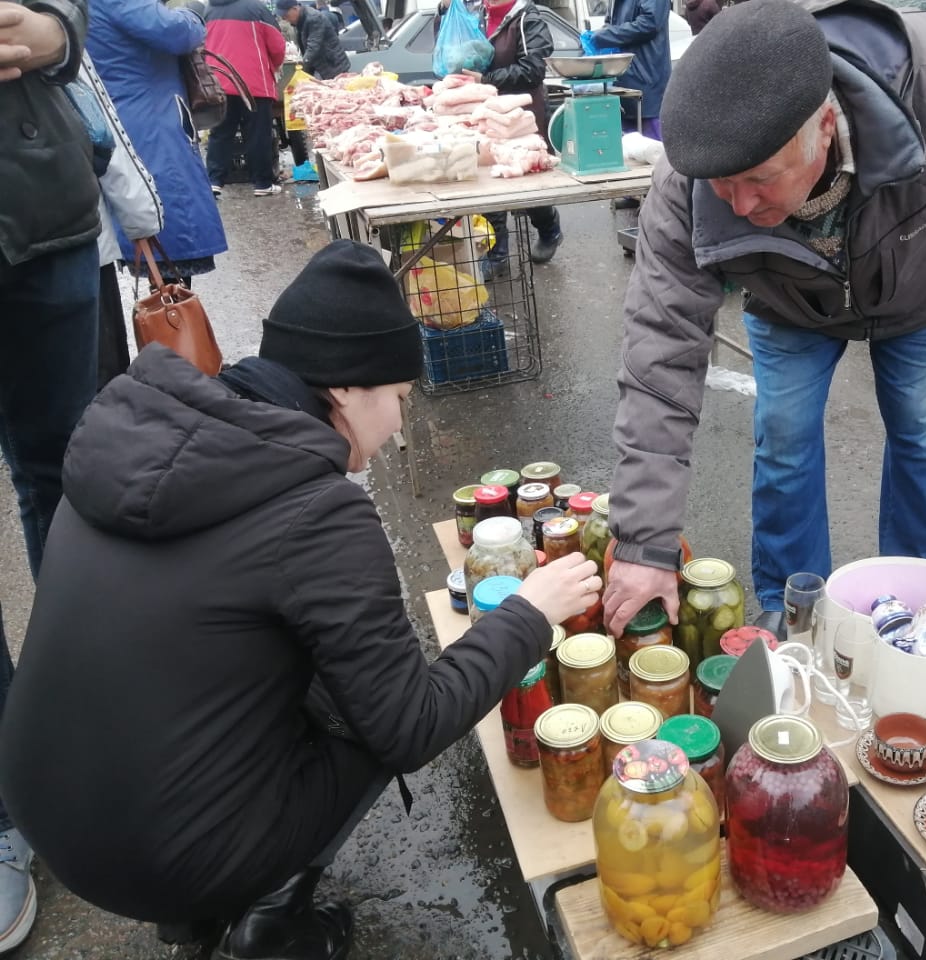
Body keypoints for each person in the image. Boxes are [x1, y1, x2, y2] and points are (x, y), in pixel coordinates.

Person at [0, 240, 603, 960]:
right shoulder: (314, 511)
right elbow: (407, 727)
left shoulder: (137, 432)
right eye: (400, 400)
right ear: (346, 388)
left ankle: (196, 897)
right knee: (375, 720)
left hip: (41, 799)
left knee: (318, 677)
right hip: (160, 858)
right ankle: (263, 919)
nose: (400, 428)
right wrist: (531, 611)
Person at [600, 0, 926, 640]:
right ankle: (793, 609)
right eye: (723, 187)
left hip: (925, 284)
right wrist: (644, 547)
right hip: (789, 301)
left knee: (923, 434)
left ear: (825, 122)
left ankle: (918, 612)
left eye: (760, 180)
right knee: (783, 439)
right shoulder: (687, 178)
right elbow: (659, 351)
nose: (740, 204)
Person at [0, 0, 102, 951]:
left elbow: (66, 11)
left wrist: (55, 33)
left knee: (63, 481)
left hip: (40, 216)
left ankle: (92, 716)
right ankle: (1, 813)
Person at [88, 0, 228, 286]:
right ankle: (171, 323)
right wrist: (192, 13)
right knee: (166, 225)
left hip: (123, 111)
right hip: (151, 120)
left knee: (147, 223)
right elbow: (174, 31)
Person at [446, 0, 563, 274]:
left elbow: (533, 70)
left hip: (521, 116)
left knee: (527, 182)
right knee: (488, 178)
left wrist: (486, 79)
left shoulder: (527, 19)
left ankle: (549, 227)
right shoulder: (478, 16)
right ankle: (497, 252)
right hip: (485, 113)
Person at [80, 49, 165, 389]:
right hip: (75, 241)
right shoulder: (49, 25)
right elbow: (99, 129)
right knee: (99, 380)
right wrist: (142, 217)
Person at [205, 0, 288, 197]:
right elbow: (277, 45)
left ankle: (214, 181)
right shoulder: (256, 8)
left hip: (219, 81)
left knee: (220, 133)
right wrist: (275, 66)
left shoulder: (208, 11)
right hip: (252, 83)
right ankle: (262, 183)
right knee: (258, 134)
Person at [582, 0, 670, 141]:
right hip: (623, 81)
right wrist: (601, 33)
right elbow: (611, 22)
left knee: (653, 151)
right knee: (627, 151)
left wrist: (605, 36)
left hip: (647, 80)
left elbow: (650, 23)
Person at [277, 0, 350, 80]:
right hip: (322, 65)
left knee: (335, 90)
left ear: (295, 8)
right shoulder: (300, 20)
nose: (286, 20)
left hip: (333, 65)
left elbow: (313, 46)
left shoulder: (313, 18)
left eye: (286, 16)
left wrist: (300, 66)